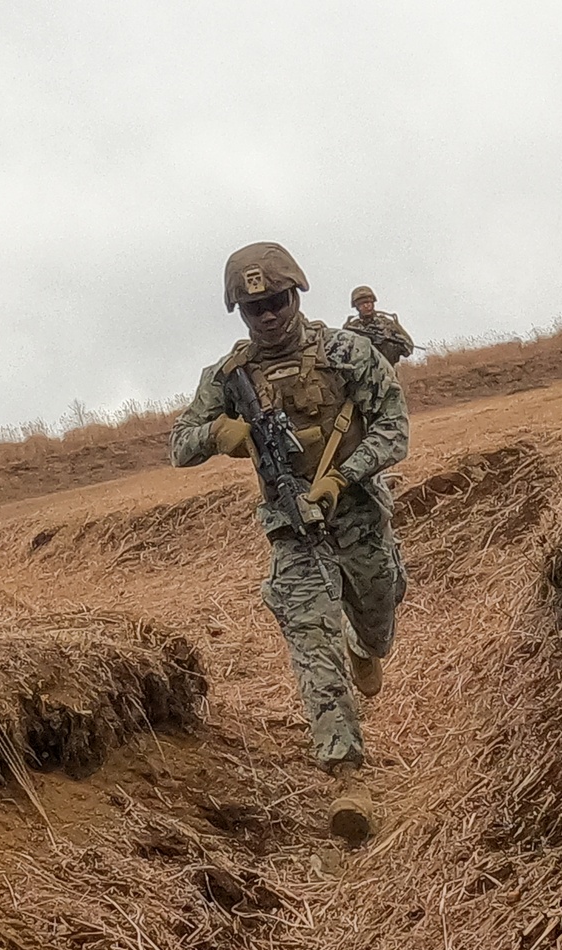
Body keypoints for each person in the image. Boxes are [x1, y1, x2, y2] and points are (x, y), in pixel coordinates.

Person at [169, 242, 409, 844]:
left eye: (277, 301)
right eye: (255, 309)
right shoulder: (228, 378)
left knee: (378, 610)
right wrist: (220, 432)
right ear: (240, 313)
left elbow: (394, 427)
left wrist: (342, 476)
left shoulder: (346, 353)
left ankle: (367, 644)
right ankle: (347, 777)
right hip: (291, 527)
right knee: (309, 636)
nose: (269, 316)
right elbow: (179, 445)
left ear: (296, 295)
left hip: (357, 516)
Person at [344, 286, 414, 366]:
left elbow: (409, 348)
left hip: (387, 373)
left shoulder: (387, 324)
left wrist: (389, 342)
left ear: (373, 303)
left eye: (368, 302)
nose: (366, 306)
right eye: (362, 304)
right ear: (357, 307)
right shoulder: (351, 328)